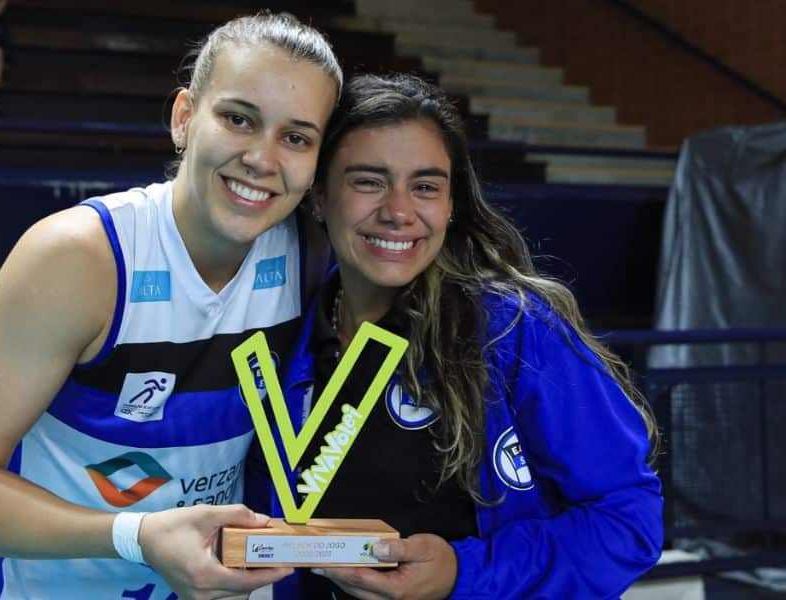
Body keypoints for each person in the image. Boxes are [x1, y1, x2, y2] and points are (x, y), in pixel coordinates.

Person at [0, 13, 341, 600]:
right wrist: (138, 535)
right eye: (238, 119)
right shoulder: (81, 258)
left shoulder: (308, 258)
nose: (263, 159)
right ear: (184, 118)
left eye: (296, 137)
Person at [266, 73, 663, 599]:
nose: (399, 212)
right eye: (368, 181)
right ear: (319, 196)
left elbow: (628, 524)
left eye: (426, 186)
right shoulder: (278, 339)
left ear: (451, 205)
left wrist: (461, 571)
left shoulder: (514, 332)